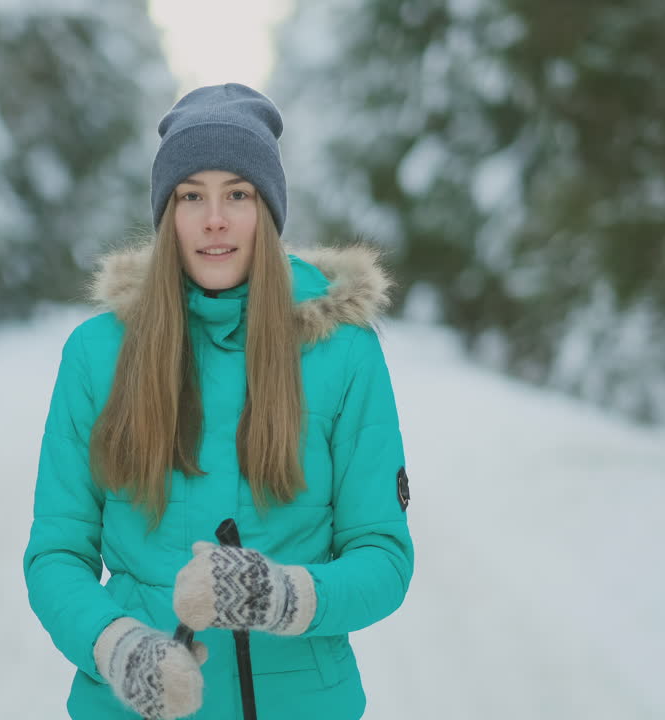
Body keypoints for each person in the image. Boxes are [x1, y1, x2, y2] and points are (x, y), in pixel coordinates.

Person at [23, 83, 414, 720]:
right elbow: (57, 552)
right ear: (166, 213)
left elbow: (383, 555)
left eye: (237, 193)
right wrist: (114, 646)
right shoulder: (98, 354)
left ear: (268, 209)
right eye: (190, 196)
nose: (214, 220)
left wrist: (283, 595)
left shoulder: (343, 353)